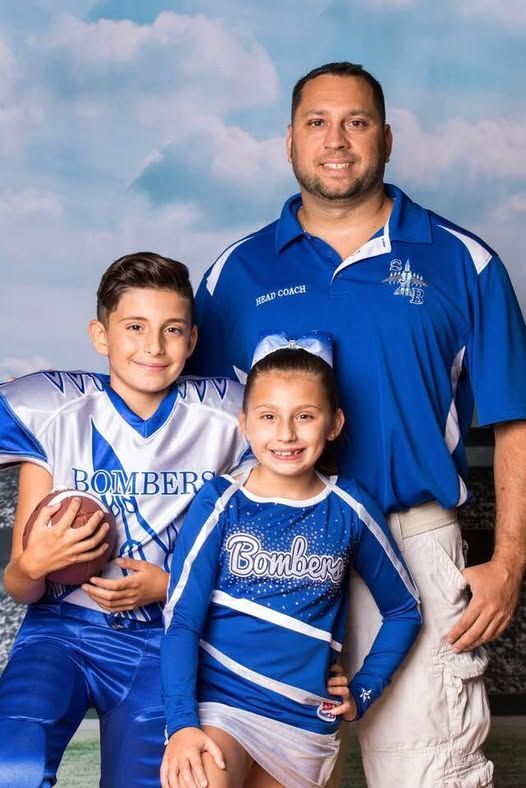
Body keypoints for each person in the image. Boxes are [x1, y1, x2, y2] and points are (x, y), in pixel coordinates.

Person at [187, 63, 526, 787]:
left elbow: (513, 423)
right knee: (255, 772)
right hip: (266, 554)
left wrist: (508, 561)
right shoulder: (234, 273)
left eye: (356, 122)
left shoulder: (464, 262)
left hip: (408, 546)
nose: (335, 141)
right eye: (317, 122)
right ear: (289, 141)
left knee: (429, 774)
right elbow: (198, 428)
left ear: (387, 137)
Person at [0, 252, 248, 788]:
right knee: (10, 763)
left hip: (168, 639)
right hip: (60, 633)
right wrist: (34, 563)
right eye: (134, 327)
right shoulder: (49, 408)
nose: (153, 347)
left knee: (164, 778)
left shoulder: (235, 415)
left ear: (194, 339)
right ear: (100, 334)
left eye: (172, 329)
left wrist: (171, 585)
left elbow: (284, 527)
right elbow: (20, 586)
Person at [161, 333, 422, 788]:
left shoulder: (349, 507)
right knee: (199, 780)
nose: (285, 434)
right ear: (245, 423)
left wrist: (365, 687)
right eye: (268, 416)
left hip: (304, 719)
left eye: (304, 416)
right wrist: (182, 723)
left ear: (334, 424)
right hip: (221, 706)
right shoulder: (223, 501)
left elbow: (405, 610)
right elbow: (182, 619)